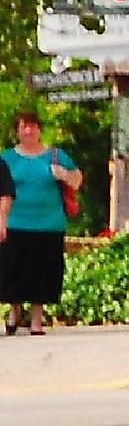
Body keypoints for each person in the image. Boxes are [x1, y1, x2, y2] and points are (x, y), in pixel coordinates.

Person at [0, 110, 79, 334]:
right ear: (16, 131)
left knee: (43, 273)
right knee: (11, 273)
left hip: (48, 225)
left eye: (32, 126)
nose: (28, 130)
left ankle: (36, 321)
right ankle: (15, 311)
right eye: (23, 126)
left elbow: (77, 180)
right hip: (14, 225)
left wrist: (63, 174)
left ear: (39, 129)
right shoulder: (6, 158)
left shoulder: (55, 155)